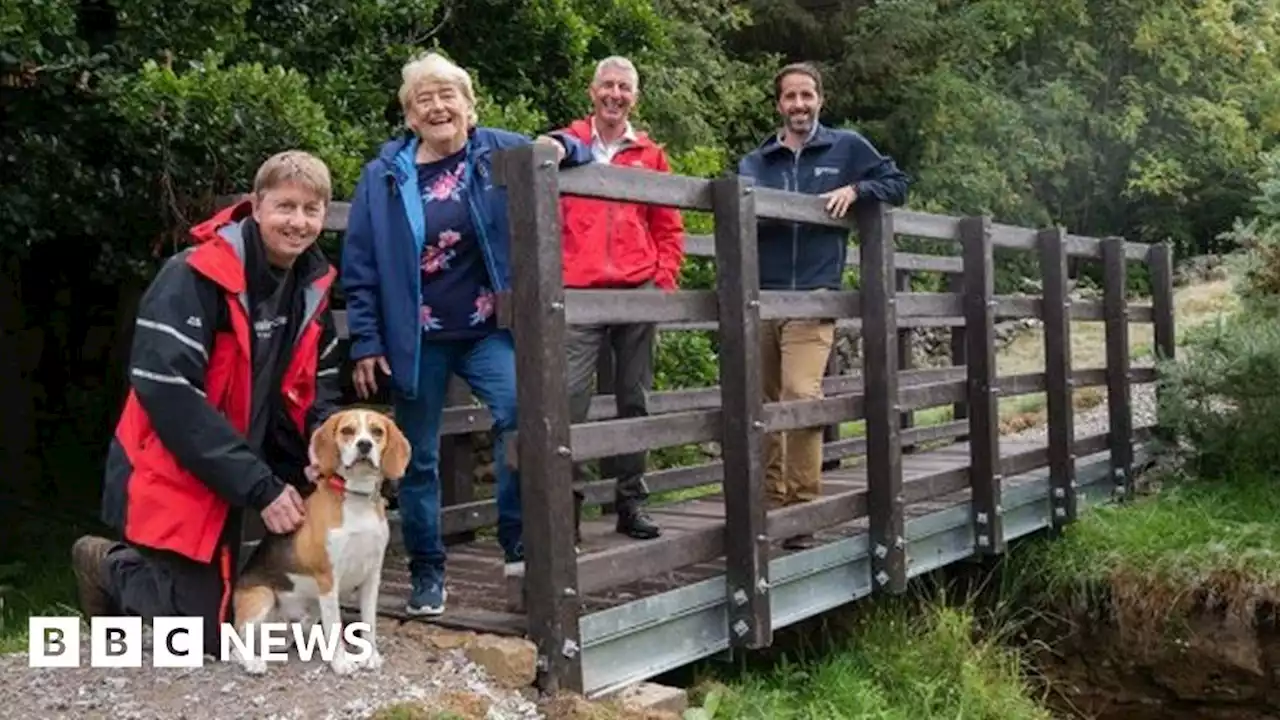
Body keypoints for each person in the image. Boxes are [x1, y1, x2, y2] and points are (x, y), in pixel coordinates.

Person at [340, 51, 593, 617]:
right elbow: (359, 264)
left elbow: (574, 149)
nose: (437, 107)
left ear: (469, 106)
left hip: (487, 328)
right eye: (423, 99)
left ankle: (518, 547)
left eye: (447, 95)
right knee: (416, 455)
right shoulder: (385, 175)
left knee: (520, 420)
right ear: (408, 116)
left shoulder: (497, 151)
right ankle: (428, 571)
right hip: (416, 336)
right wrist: (367, 339)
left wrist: (559, 147)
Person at [70, 150, 343, 656]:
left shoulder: (314, 285)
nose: (298, 222)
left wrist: (320, 447)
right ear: (256, 206)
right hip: (173, 462)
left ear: (324, 216)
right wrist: (260, 487)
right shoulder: (191, 276)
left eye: (311, 210)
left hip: (252, 460)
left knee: (240, 628)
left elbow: (320, 390)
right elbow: (168, 396)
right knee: (204, 639)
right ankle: (107, 564)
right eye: (285, 207)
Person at [737, 62, 910, 550]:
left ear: (820, 100)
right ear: (778, 104)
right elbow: (737, 208)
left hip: (815, 294)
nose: (798, 105)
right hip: (761, 296)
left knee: (799, 395)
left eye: (806, 96)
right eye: (790, 97)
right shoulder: (757, 161)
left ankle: (802, 507)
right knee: (763, 403)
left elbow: (897, 182)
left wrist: (857, 190)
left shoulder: (847, 147)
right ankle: (769, 501)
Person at [556, 56, 684, 542]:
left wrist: (662, 283)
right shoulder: (564, 146)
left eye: (624, 87)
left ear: (635, 96)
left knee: (635, 399)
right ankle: (565, 506)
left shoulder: (650, 154)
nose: (615, 94)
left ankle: (630, 502)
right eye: (607, 85)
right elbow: (542, 218)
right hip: (577, 294)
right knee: (568, 400)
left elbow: (668, 226)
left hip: (635, 292)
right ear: (592, 92)